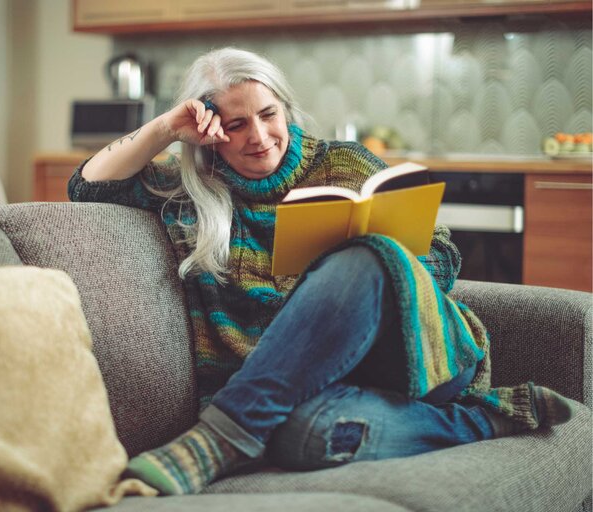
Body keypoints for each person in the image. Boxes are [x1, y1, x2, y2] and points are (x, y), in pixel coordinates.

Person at [68, 47, 575, 496]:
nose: (260, 137)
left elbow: (442, 254)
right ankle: (482, 419)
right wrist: (164, 128)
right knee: (301, 435)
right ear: (211, 135)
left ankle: (216, 440)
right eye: (238, 125)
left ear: (286, 108)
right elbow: (86, 187)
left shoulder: (344, 166)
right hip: (306, 393)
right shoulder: (192, 193)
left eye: (269, 114)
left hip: (418, 350)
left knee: (365, 255)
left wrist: (373, 271)